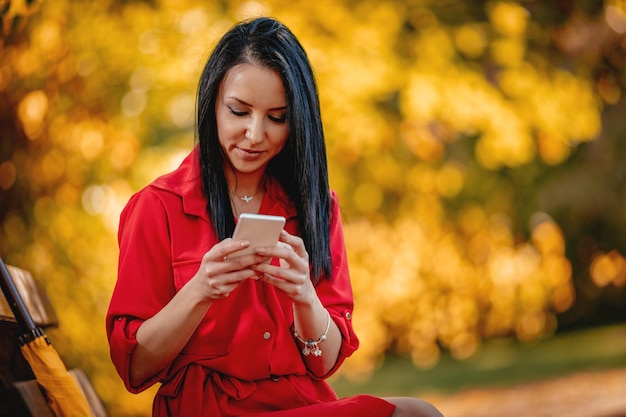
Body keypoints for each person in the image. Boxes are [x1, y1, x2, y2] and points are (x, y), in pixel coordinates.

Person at [106, 16, 443, 417]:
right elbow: (135, 369)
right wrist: (200, 290)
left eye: (276, 117)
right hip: (208, 407)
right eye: (238, 111)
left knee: (419, 414)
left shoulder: (317, 207)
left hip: (300, 403)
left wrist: (304, 295)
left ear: (297, 121)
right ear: (212, 105)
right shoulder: (158, 206)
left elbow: (325, 362)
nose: (254, 134)